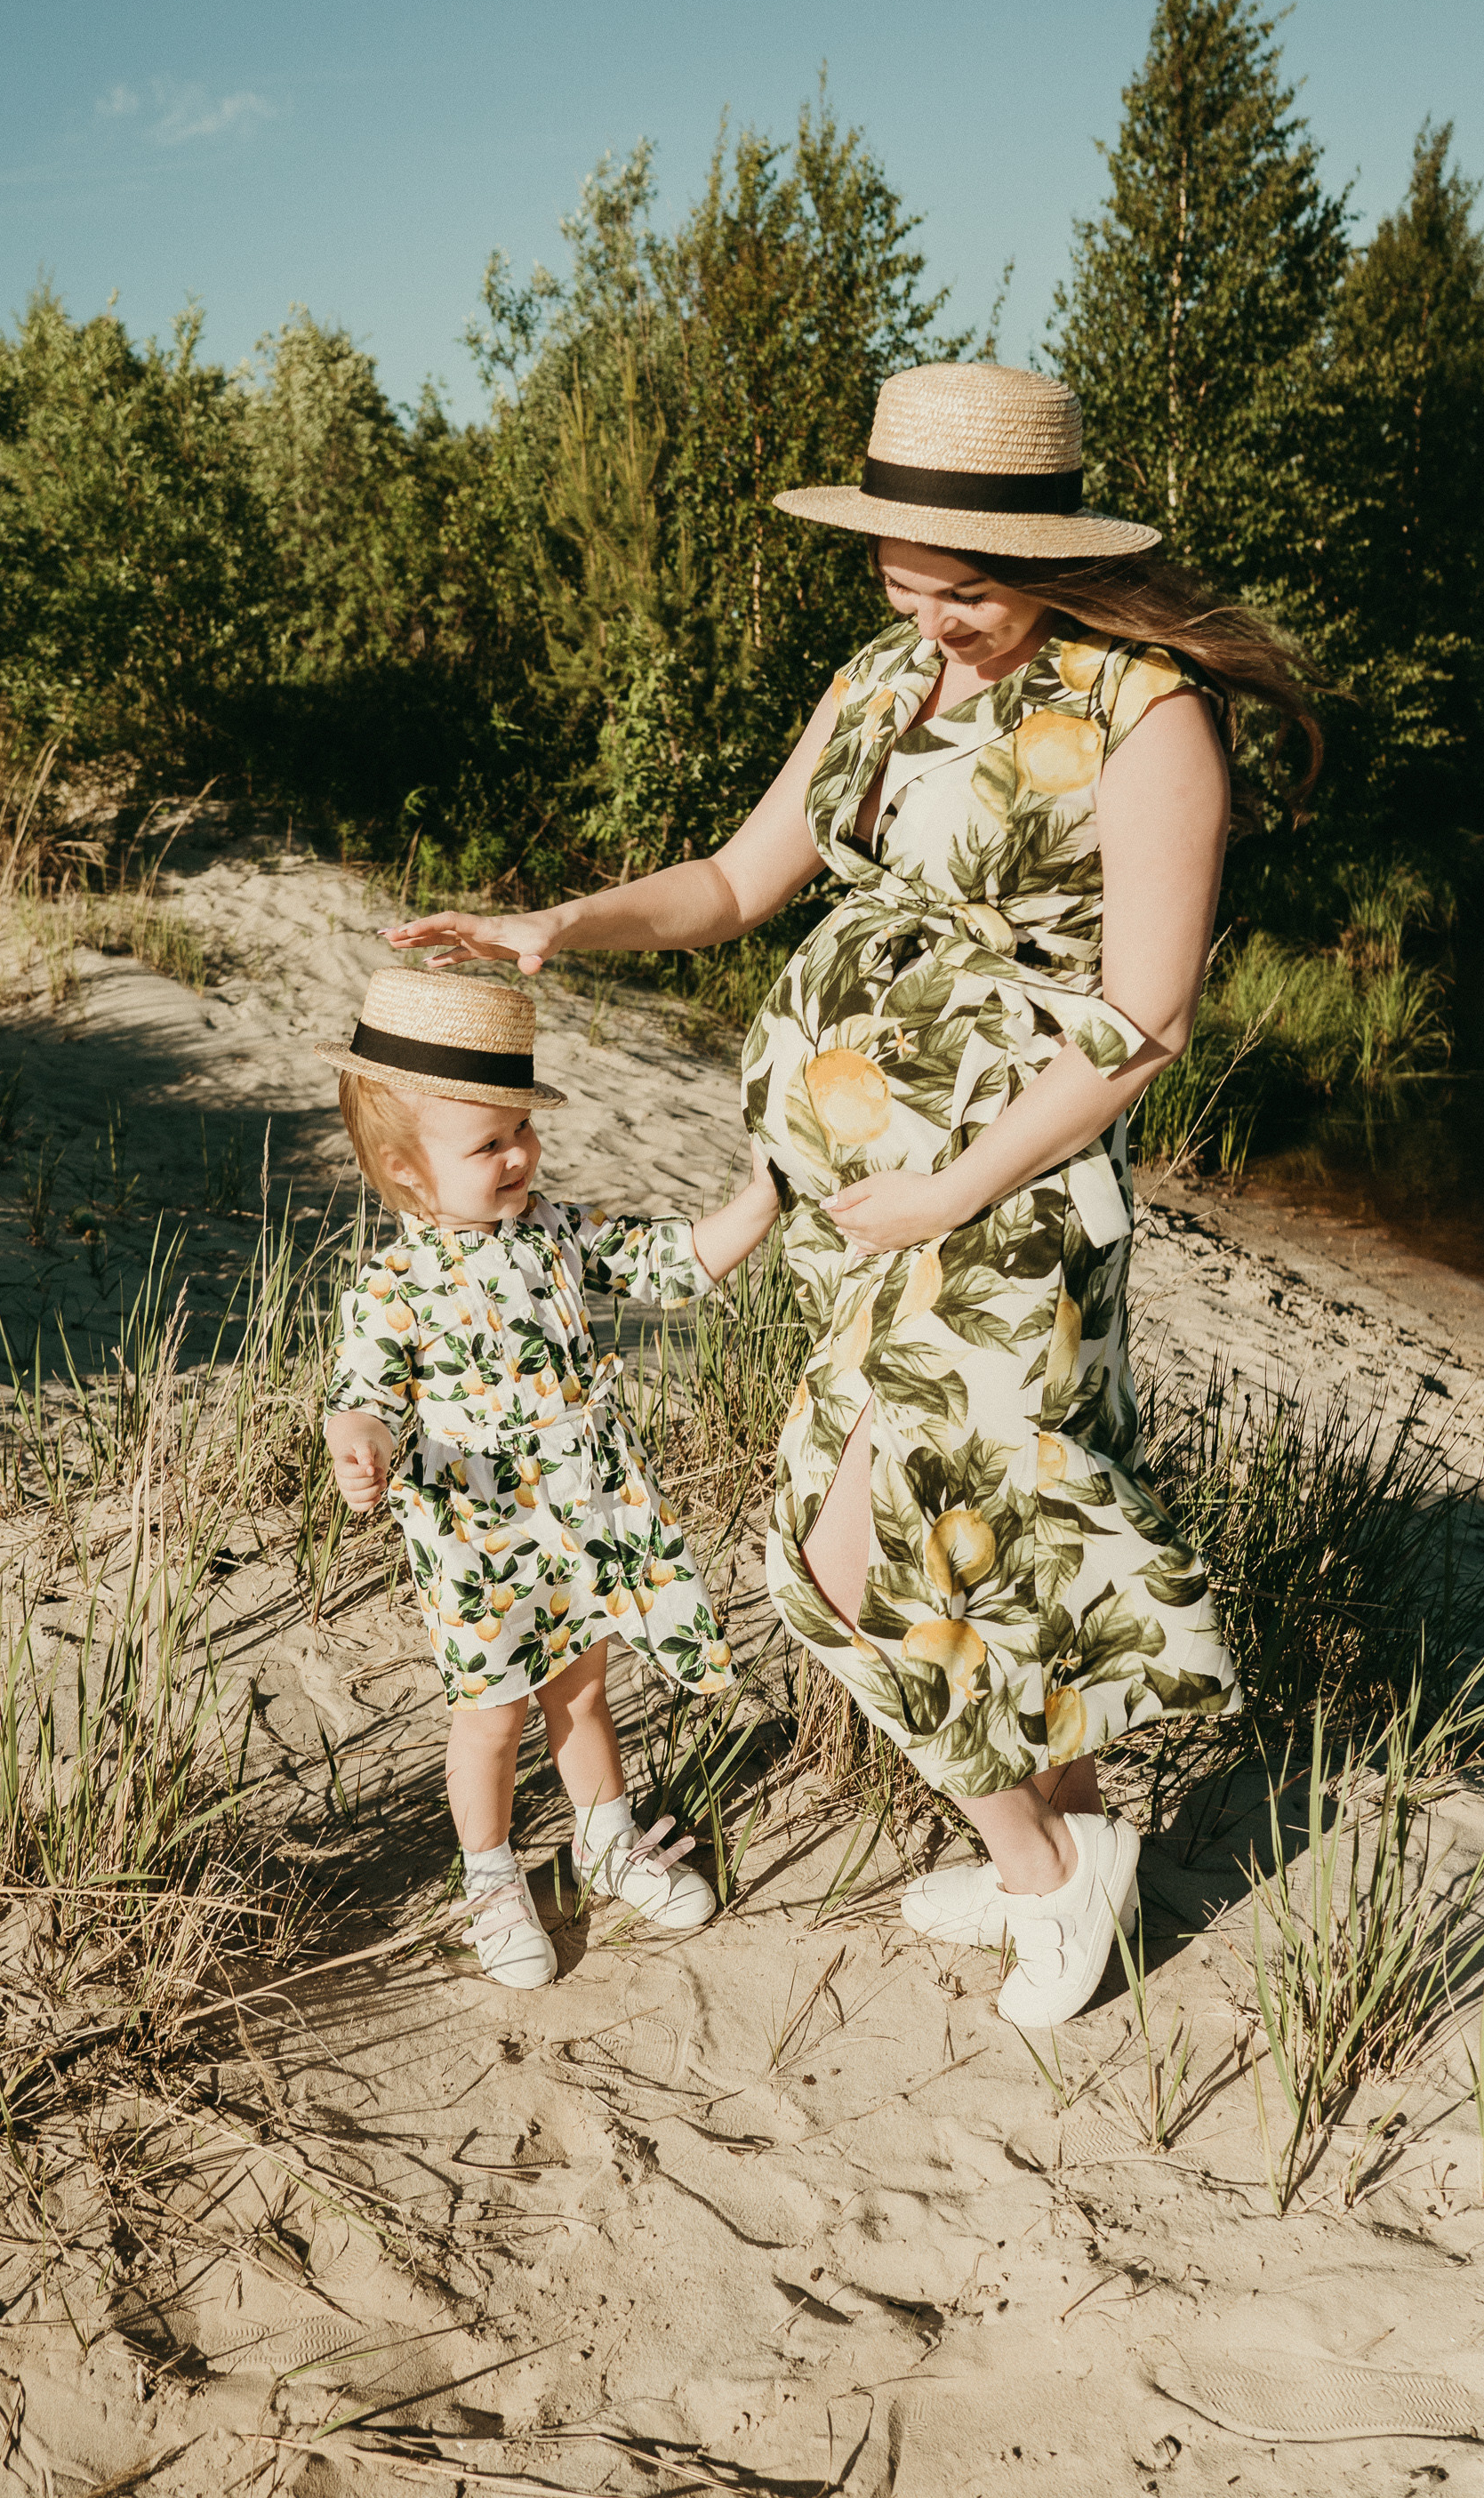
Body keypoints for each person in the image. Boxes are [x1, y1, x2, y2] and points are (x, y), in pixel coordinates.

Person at [389, 362, 1318, 2028]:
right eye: (904, 583)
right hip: (865, 1221)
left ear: (1051, 560)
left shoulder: (1143, 711)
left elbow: (1141, 1023)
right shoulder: (882, 676)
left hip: (1006, 1211)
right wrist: (559, 926)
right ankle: (1075, 1839)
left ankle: (1049, 1877)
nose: (934, 619)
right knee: (968, 1556)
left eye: (965, 591)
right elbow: (744, 880)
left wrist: (942, 1185)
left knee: (841, 1574)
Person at [317, 965, 779, 1989]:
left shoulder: (557, 1233)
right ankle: (488, 1874)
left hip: (582, 1520)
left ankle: (603, 1839)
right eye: (489, 1143)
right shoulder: (397, 1282)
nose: (520, 1153)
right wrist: (361, 1443)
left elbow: (670, 1262)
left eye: (524, 1129)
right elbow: (361, 1389)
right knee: (493, 1714)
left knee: (582, 1685)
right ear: (407, 1169)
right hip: (479, 1540)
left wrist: (760, 1198)